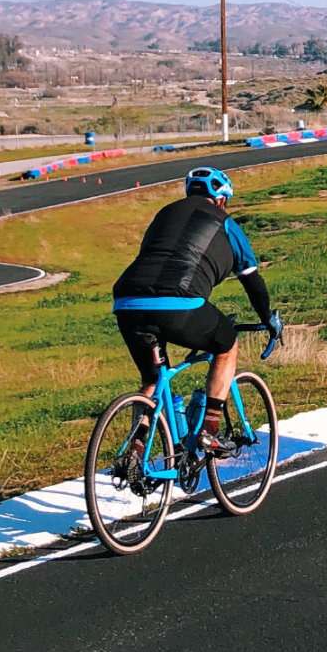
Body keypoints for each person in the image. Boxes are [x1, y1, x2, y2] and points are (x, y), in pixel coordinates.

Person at [112, 166, 278, 458]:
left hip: (127, 302)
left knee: (152, 379)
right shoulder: (226, 224)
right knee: (226, 345)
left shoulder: (163, 215)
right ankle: (209, 432)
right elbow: (252, 280)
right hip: (179, 304)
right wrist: (268, 319)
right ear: (222, 200)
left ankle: (135, 453)